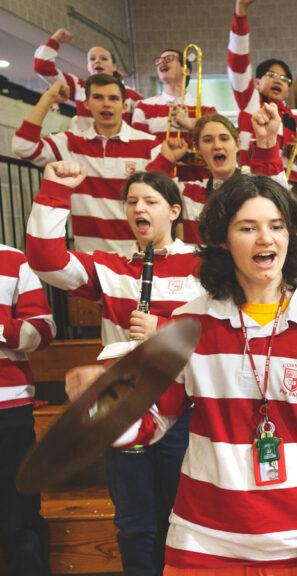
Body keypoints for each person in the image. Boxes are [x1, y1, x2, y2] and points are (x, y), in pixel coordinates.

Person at [104, 174, 297, 574]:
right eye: (248, 228)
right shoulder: (188, 324)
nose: (266, 239)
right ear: (223, 240)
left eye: (276, 226)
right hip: (200, 545)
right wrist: (100, 401)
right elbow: (149, 423)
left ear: (292, 236)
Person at [28, 161, 204, 576]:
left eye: (150, 201)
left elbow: (224, 329)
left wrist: (163, 328)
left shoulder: (204, 264)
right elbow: (45, 260)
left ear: (174, 211)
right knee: (133, 523)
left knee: (186, 518)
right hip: (120, 407)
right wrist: (55, 190)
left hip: (185, 408)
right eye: (131, 202)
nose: (138, 208)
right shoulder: (110, 267)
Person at [13, 74, 161, 255]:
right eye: (98, 97)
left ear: (124, 106)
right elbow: (23, 146)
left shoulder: (150, 144)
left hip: (138, 255)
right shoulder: (70, 141)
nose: (106, 104)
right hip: (89, 258)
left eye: (113, 98)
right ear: (87, 104)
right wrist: (48, 98)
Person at [148, 105, 288, 245]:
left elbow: (279, 197)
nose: (217, 145)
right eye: (207, 140)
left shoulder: (254, 188)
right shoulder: (190, 193)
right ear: (198, 148)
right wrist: (166, 160)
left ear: (238, 144)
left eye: (224, 138)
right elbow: (147, 191)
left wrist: (267, 140)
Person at [0, 245, 55, 576]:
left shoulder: (13, 260)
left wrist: (2, 329)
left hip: (9, 408)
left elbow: (45, 329)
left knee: (18, 517)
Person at [229, 0, 297, 182]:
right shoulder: (250, 103)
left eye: (285, 79)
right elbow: (238, 64)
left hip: (291, 188)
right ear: (257, 82)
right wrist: (241, 14)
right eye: (272, 75)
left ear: (288, 92)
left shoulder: (296, 122)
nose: (279, 80)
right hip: (253, 183)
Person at [33, 27, 143, 130]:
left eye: (103, 58)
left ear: (114, 67)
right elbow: (42, 67)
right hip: (85, 149)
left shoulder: (131, 95)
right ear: (88, 66)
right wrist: (55, 40)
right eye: (92, 59)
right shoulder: (79, 87)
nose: (97, 61)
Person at [131, 49, 218, 148]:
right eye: (159, 61)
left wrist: (191, 125)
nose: (162, 62)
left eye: (169, 59)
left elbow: (217, 142)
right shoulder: (143, 107)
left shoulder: (207, 109)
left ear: (186, 70)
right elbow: (138, 147)